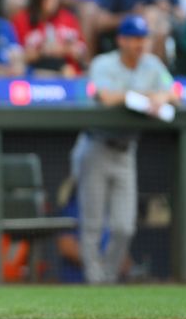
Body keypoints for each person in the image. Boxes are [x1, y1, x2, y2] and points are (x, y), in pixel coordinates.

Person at [70, 15, 178, 284]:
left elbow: (173, 92)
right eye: (133, 38)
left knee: (124, 226)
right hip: (96, 146)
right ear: (121, 40)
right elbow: (106, 96)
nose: (139, 44)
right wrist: (142, 96)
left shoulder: (152, 64)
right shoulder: (103, 63)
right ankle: (95, 282)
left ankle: (107, 278)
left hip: (126, 151)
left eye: (143, 38)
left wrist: (160, 96)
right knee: (93, 223)